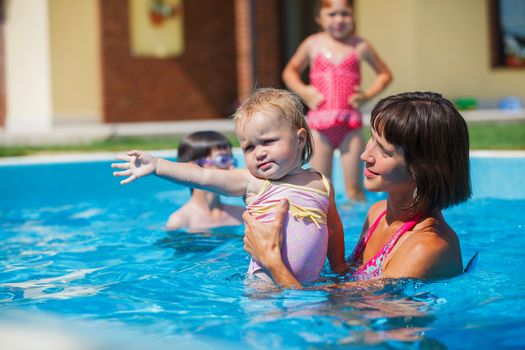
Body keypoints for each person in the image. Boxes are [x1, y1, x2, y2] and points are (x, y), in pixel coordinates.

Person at [112, 88, 347, 283]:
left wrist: (339, 269)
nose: (259, 153)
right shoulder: (255, 183)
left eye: (268, 142)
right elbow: (203, 176)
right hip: (263, 292)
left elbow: (333, 229)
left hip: (311, 288)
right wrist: (158, 166)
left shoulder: (321, 183)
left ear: (300, 139)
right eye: (249, 147)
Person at [242, 91, 471, 289]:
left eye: (384, 151)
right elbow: (343, 285)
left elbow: (344, 310)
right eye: (371, 138)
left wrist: (271, 260)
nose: (365, 155)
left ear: (423, 168)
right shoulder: (378, 213)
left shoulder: (427, 247)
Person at [282, 0, 392, 201]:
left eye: (345, 14)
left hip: (350, 124)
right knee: (320, 189)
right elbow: (290, 71)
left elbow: (385, 74)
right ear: (319, 18)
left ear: (353, 16)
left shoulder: (360, 45)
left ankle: (358, 228)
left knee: (355, 189)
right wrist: (304, 91)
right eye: (332, 14)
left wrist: (367, 95)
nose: (339, 20)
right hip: (319, 125)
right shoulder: (312, 44)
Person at [164, 131, 244, 231]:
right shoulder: (181, 221)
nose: (232, 168)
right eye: (223, 160)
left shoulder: (241, 215)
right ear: (193, 169)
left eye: (231, 160)